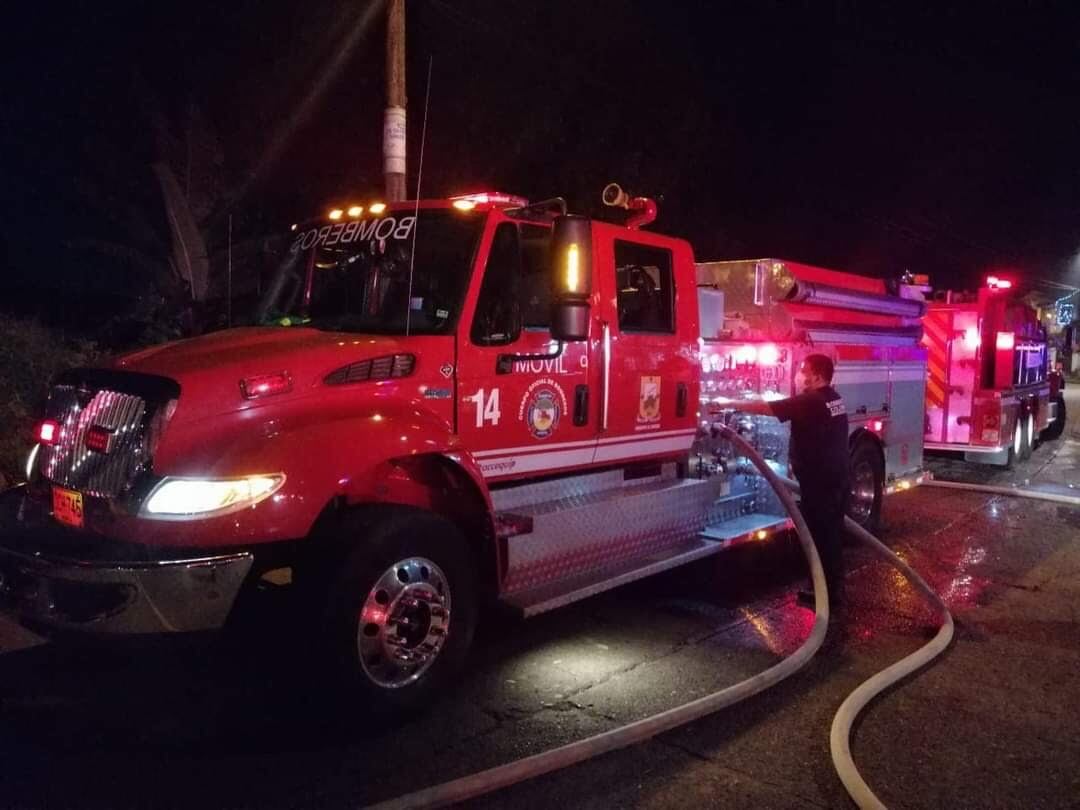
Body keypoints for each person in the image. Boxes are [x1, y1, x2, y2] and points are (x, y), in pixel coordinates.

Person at [730, 353, 850, 612]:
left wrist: (728, 403)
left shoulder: (812, 401)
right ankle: (831, 590)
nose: (798, 375)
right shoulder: (834, 398)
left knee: (819, 538)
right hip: (836, 479)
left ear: (816, 376)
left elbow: (767, 408)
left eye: (803, 370)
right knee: (831, 536)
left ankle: (826, 596)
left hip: (820, 483)